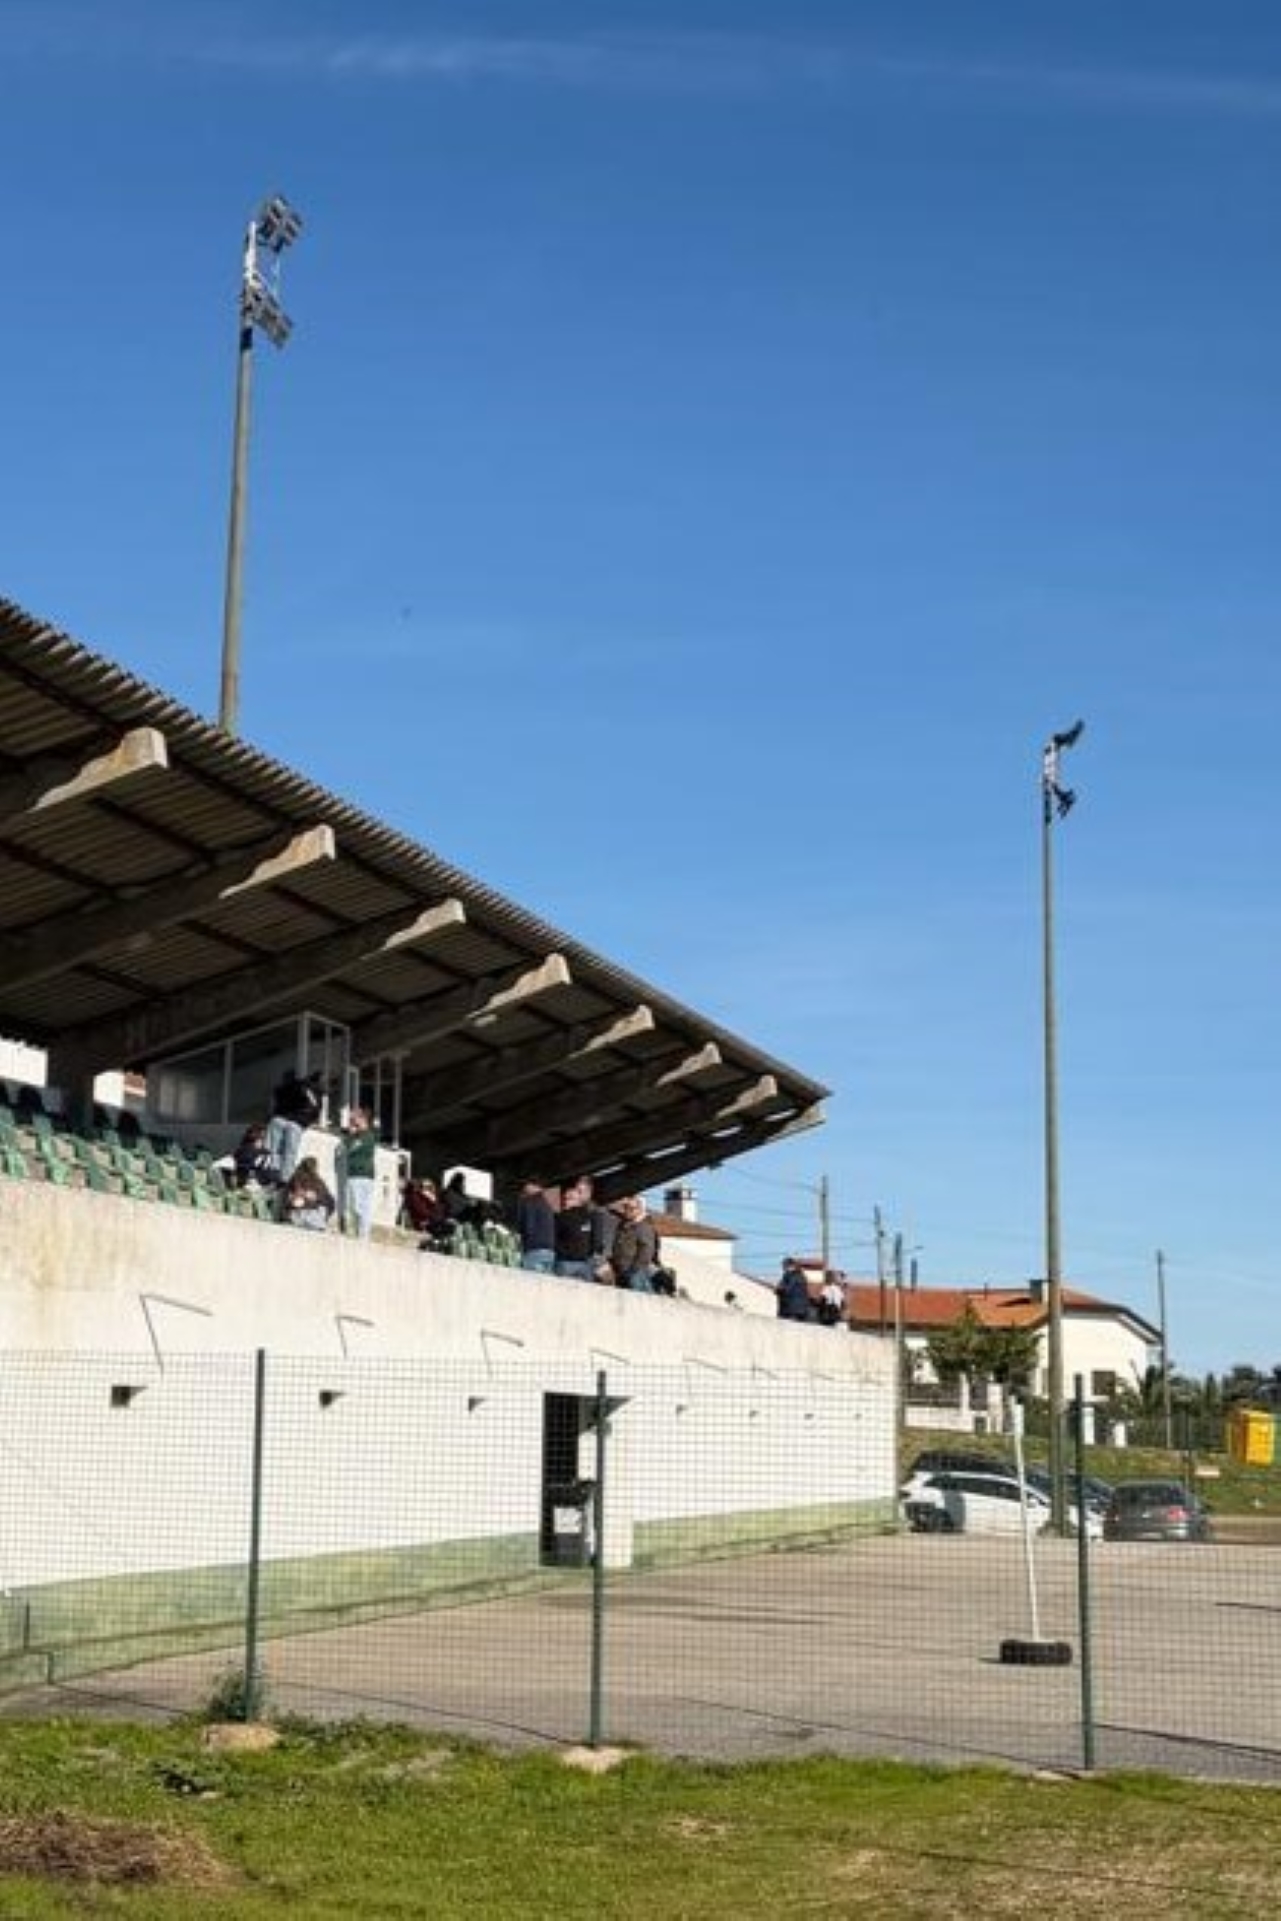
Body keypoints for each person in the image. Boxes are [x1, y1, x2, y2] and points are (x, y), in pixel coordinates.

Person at [266, 1068, 323, 1184]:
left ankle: (273, 1173)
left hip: (281, 1119)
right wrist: (313, 1120)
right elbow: (315, 1107)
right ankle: (285, 1178)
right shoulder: (307, 1088)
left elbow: (274, 1106)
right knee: (289, 1150)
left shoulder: (280, 1090)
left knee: (274, 1149)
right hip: (296, 1121)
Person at [340, 1105, 379, 1241]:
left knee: (357, 1207)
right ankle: (361, 1236)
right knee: (360, 1207)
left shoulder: (366, 1136)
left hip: (359, 1175)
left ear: (362, 1119)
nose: (351, 1120)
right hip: (364, 1175)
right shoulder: (366, 1135)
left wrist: (349, 1134)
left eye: (354, 1118)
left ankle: (361, 1236)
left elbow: (349, 1148)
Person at [611, 1195, 659, 1293]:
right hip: (622, 1272)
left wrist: (633, 1269)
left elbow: (646, 1251)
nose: (627, 1211)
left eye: (631, 1208)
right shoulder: (624, 1225)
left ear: (639, 1210)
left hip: (635, 1273)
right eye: (626, 1208)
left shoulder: (643, 1227)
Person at [553, 1179, 598, 1280]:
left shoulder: (588, 1217)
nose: (566, 1201)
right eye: (565, 1198)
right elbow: (554, 1239)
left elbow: (593, 1239)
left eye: (570, 1198)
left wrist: (588, 1254)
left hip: (582, 1264)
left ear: (578, 1201)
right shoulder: (560, 1217)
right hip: (566, 1262)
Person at [282, 1156, 335, 1233]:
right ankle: (317, 1224)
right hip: (299, 1212)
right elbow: (293, 1200)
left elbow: (327, 1198)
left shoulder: (318, 1180)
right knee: (303, 1209)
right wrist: (305, 1196)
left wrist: (315, 1197)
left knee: (320, 1210)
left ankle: (317, 1223)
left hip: (313, 1210)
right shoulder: (296, 1178)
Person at [515, 1180, 557, 1274]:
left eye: (526, 1185)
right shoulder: (548, 1204)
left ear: (531, 1185)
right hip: (550, 1252)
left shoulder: (530, 1201)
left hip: (534, 1250)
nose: (524, 1189)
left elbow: (529, 1227)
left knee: (531, 1284)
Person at [231, 1124, 280, 1190]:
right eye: (262, 1138)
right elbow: (247, 1170)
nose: (263, 1141)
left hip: (260, 1183)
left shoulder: (264, 1152)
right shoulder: (246, 1152)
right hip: (252, 1185)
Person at [777, 1255, 814, 1323]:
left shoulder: (790, 1275)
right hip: (802, 1309)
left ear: (788, 1266)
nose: (783, 1268)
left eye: (783, 1266)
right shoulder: (801, 1275)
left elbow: (788, 1290)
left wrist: (779, 1290)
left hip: (791, 1309)